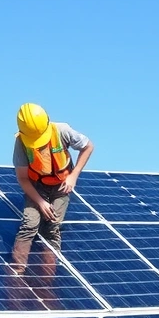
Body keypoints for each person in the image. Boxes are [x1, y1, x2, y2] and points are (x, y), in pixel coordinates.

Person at [8, 103, 94, 281]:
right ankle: (16, 272)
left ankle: (48, 277)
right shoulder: (21, 142)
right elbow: (23, 178)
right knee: (29, 224)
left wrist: (73, 176)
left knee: (52, 227)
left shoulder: (61, 130)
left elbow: (88, 146)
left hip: (61, 185)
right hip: (36, 185)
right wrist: (40, 202)